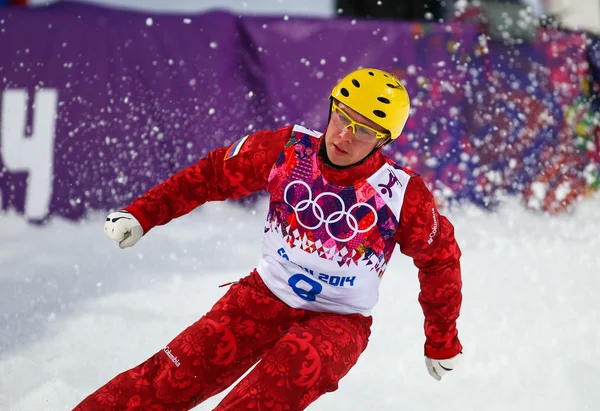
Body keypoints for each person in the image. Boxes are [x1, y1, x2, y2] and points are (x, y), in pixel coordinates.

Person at [74, 67, 463, 411]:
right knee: (166, 381)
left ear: (383, 141)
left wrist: (441, 339)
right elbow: (213, 175)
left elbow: (440, 259)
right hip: (261, 297)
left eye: (363, 130)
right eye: (342, 116)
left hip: (338, 323)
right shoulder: (287, 150)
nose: (345, 135)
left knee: (273, 387)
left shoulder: (401, 194)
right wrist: (144, 213)